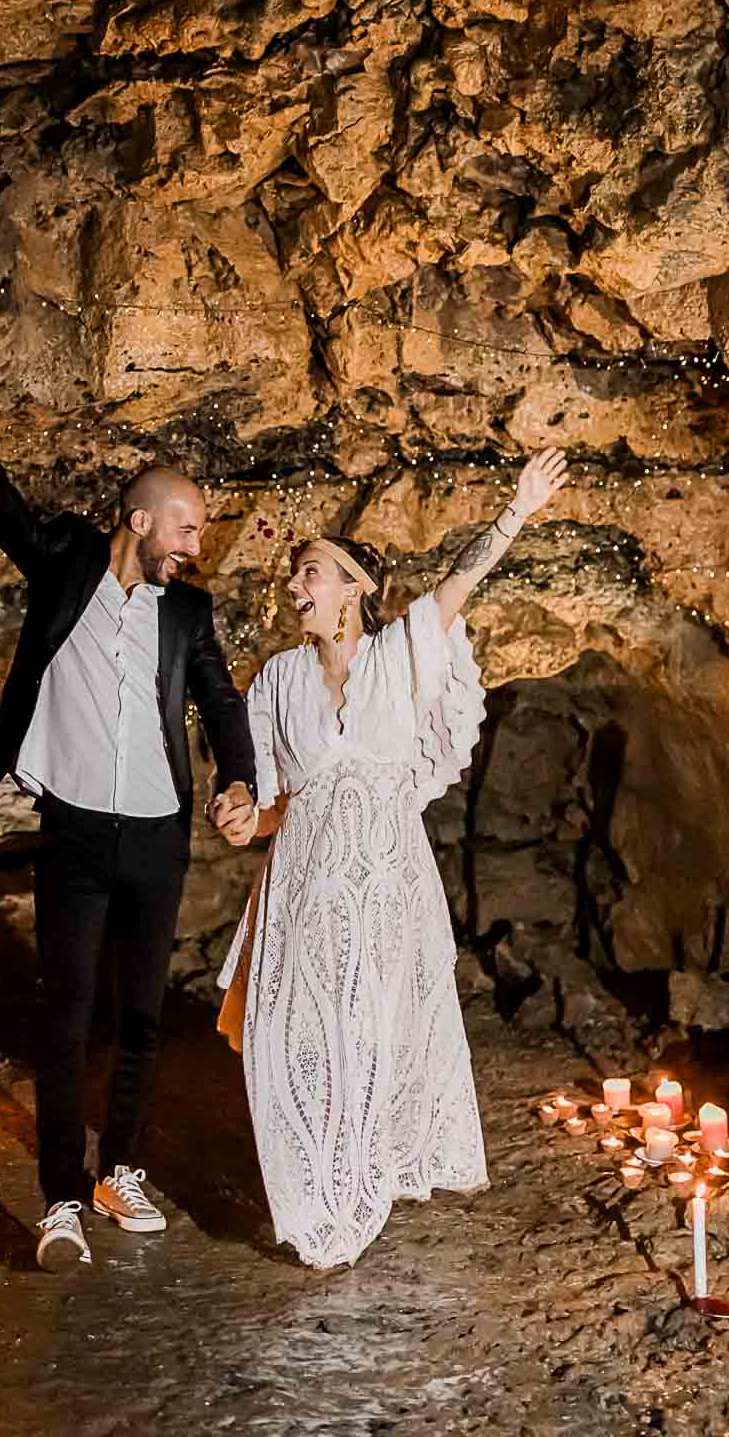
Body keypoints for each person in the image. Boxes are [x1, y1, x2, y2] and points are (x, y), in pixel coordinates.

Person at [217, 448, 570, 1270]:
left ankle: (355, 1188)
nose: (295, 588)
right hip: (303, 881)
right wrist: (241, 818)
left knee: (371, 1029)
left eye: (311, 573)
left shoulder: (399, 654)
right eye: (294, 577)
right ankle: (310, 1194)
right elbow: (268, 803)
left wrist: (516, 511)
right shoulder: (274, 681)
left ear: (354, 587)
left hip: (384, 878)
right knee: (285, 1034)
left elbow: (460, 583)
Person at [0, 346, 258, 1270]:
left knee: (141, 1017)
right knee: (67, 1010)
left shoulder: (187, 614)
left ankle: (118, 1170)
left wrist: (238, 777)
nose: (198, 547)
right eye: (189, 530)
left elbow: (222, 700)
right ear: (140, 521)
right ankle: (58, 1199)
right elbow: (1, 509)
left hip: (159, 833)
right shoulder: (69, 565)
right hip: (76, 831)